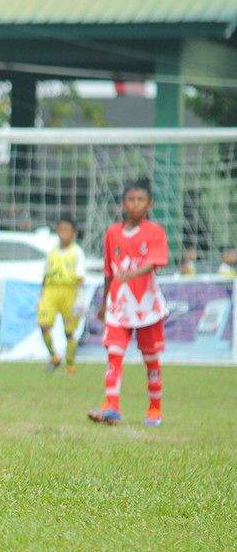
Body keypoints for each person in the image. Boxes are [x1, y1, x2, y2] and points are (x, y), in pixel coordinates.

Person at [88, 180, 168, 427]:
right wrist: (103, 302)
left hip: (146, 305)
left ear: (149, 204)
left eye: (140, 200)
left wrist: (129, 275)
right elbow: (109, 270)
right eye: (131, 199)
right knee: (114, 354)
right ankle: (112, 407)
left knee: (151, 359)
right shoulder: (112, 232)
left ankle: (155, 410)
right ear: (123, 203)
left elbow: (152, 263)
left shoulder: (155, 232)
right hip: (118, 303)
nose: (135, 204)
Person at [37, 214, 87, 375]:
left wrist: (80, 298)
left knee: (69, 332)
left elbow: (80, 278)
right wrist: (41, 295)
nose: (62, 233)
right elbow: (45, 276)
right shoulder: (51, 253)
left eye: (66, 230)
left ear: (74, 233)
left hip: (69, 292)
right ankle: (54, 357)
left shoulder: (77, 253)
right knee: (43, 324)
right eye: (60, 230)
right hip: (51, 291)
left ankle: (70, 366)